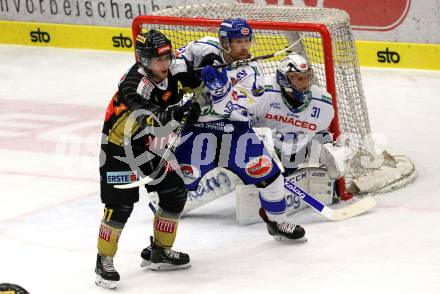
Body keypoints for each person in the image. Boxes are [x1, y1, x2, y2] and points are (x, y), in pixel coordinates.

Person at [165, 18, 306, 241]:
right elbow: (176, 60)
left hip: (234, 131)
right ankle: (161, 244)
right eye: (237, 41)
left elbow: (229, 107)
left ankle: (277, 221)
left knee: (270, 176)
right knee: (173, 187)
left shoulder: (252, 73)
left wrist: (220, 88)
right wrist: (185, 75)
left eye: (246, 41)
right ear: (224, 42)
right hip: (197, 130)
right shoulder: (206, 46)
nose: (244, 47)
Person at [95, 29, 201, 289]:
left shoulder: (172, 69)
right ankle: (103, 261)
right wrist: (178, 112)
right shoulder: (134, 85)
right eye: (158, 60)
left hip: (148, 146)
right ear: (144, 61)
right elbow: (151, 117)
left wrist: (208, 77)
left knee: (174, 193)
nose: (164, 65)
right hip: (119, 149)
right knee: (119, 207)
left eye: (166, 58)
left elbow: (197, 82)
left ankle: (160, 251)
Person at [250, 52, 349, 181]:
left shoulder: (322, 102)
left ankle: (329, 186)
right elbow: (243, 124)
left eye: (307, 77)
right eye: (298, 78)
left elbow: (322, 132)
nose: (304, 82)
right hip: (261, 153)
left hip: (294, 155)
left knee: (331, 147)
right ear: (283, 78)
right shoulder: (263, 92)